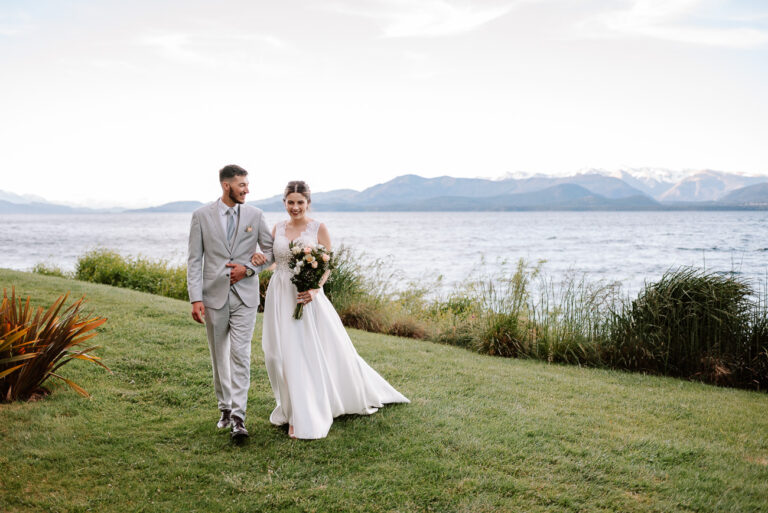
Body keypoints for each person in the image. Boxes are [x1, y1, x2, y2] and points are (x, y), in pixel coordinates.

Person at [259, 180, 409, 439]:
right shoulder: (278, 228)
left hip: (306, 296)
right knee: (277, 354)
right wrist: (256, 257)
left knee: (300, 353)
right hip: (279, 293)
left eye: (300, 202)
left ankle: (300, 416)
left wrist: (315, 289)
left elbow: (327, 264)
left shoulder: (318, 228)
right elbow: (272, 259)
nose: (295, 207)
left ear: (308, 203)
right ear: (284, 203)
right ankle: (290, 405)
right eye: (290, 202)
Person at [187, 164, 273, 440]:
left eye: (247, 184)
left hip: (246, 297)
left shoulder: (255, 215)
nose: (247, 189)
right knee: (218, 355)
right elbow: (194, 260)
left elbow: (271, 253)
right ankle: (224, 407)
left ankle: (239, 417)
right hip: (213, 297)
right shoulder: (201, 216)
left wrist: (249, 268)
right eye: (242, 185)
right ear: (227, 186)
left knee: (240, 353)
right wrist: (195, 298)